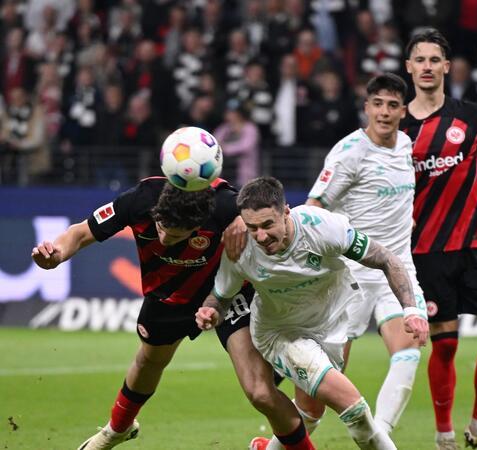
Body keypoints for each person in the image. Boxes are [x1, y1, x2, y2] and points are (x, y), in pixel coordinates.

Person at [31, 174, 314, 450]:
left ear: (197, 227)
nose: (164, 238)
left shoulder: (226, 205)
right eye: (161, 227)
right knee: (149, 362)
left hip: (226, 295)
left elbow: (267, 211)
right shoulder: (139, 199)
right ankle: (117, 430)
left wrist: (243, 220)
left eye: (177, 235)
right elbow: (80, 233)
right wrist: (56, 253)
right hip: (168, 296)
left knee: (261, 393)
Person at [196, 176, 429, 450]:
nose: (260, 236)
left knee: (309, 414)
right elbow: (220, 297)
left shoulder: (322, 227)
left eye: (268, 225)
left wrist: (411, 310)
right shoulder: (241, 249)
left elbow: (387, 260)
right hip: (281, 334)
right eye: (253, 227)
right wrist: (210, 311)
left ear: (286, 212)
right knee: (354, 410)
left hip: (330, 327)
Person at [400, 29, 477, 450]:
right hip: (426, 250)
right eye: (421, 60)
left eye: (436, 59)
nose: (428, 66)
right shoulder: (397, 126)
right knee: (445, 347)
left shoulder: (471, 115)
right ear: (409, 67)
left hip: (476, 242)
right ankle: (445, 436)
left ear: (447, 67)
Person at [305, 73, 426, 435]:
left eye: (392, 105)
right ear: (366, 107)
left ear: (404, 110)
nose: (384, 112)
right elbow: (315, 207)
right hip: (351, 275)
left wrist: (408, 218)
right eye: (378, 104)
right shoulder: (348, 153)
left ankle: (381, 436)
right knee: (324, 381)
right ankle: (283, 443)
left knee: (409, 352)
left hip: (397, 272)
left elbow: (394, 196)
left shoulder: (406, 146)